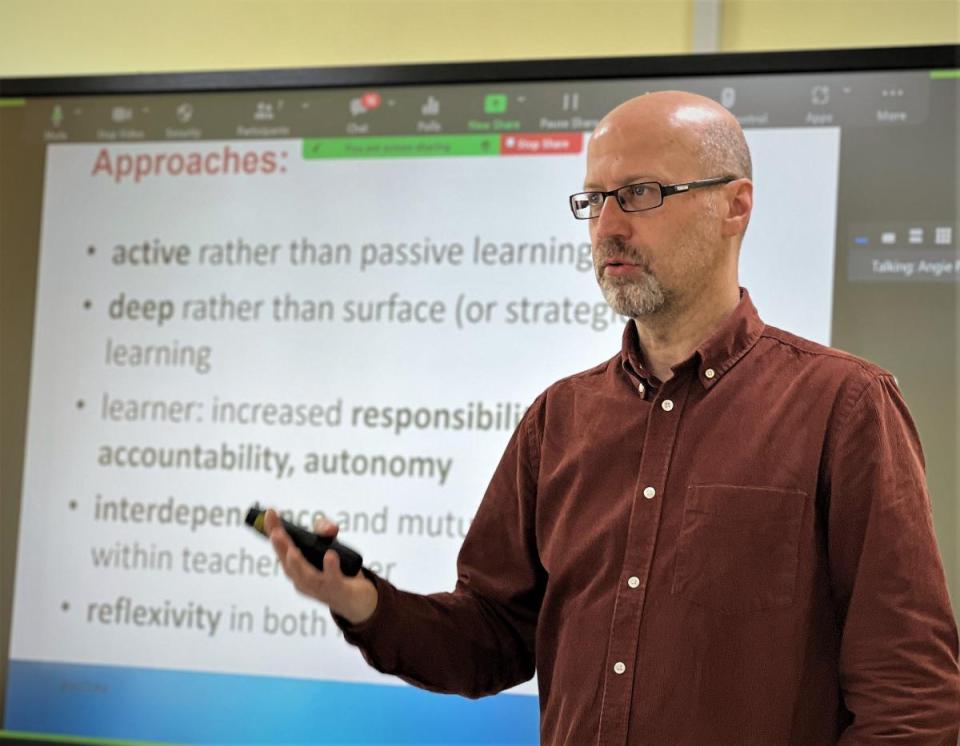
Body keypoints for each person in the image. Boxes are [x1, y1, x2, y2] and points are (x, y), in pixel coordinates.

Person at [266, 91, 960, 743]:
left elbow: (910, 695)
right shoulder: (559, 420)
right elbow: (492, 638)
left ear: (735, 206)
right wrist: (362, 601)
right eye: (595, 200)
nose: (608, 227)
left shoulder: (843, 407)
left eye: (640, 194)